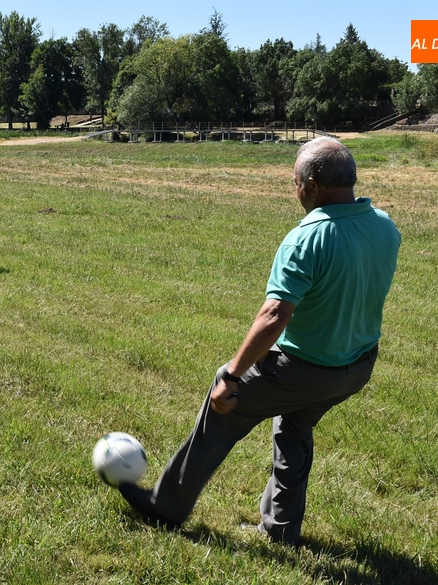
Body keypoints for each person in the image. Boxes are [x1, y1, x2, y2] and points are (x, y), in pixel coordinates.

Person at [118, 136, 401, 546]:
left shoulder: (307, 237)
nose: (295, 190)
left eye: (295, 182)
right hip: (356, 368)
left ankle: (167, 507)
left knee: (224, 407)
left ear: (312, 185)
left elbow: (274, 316)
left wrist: (232, 375)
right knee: (295, 425)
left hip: (308, 369)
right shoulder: (384, 225)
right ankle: (281, 529)